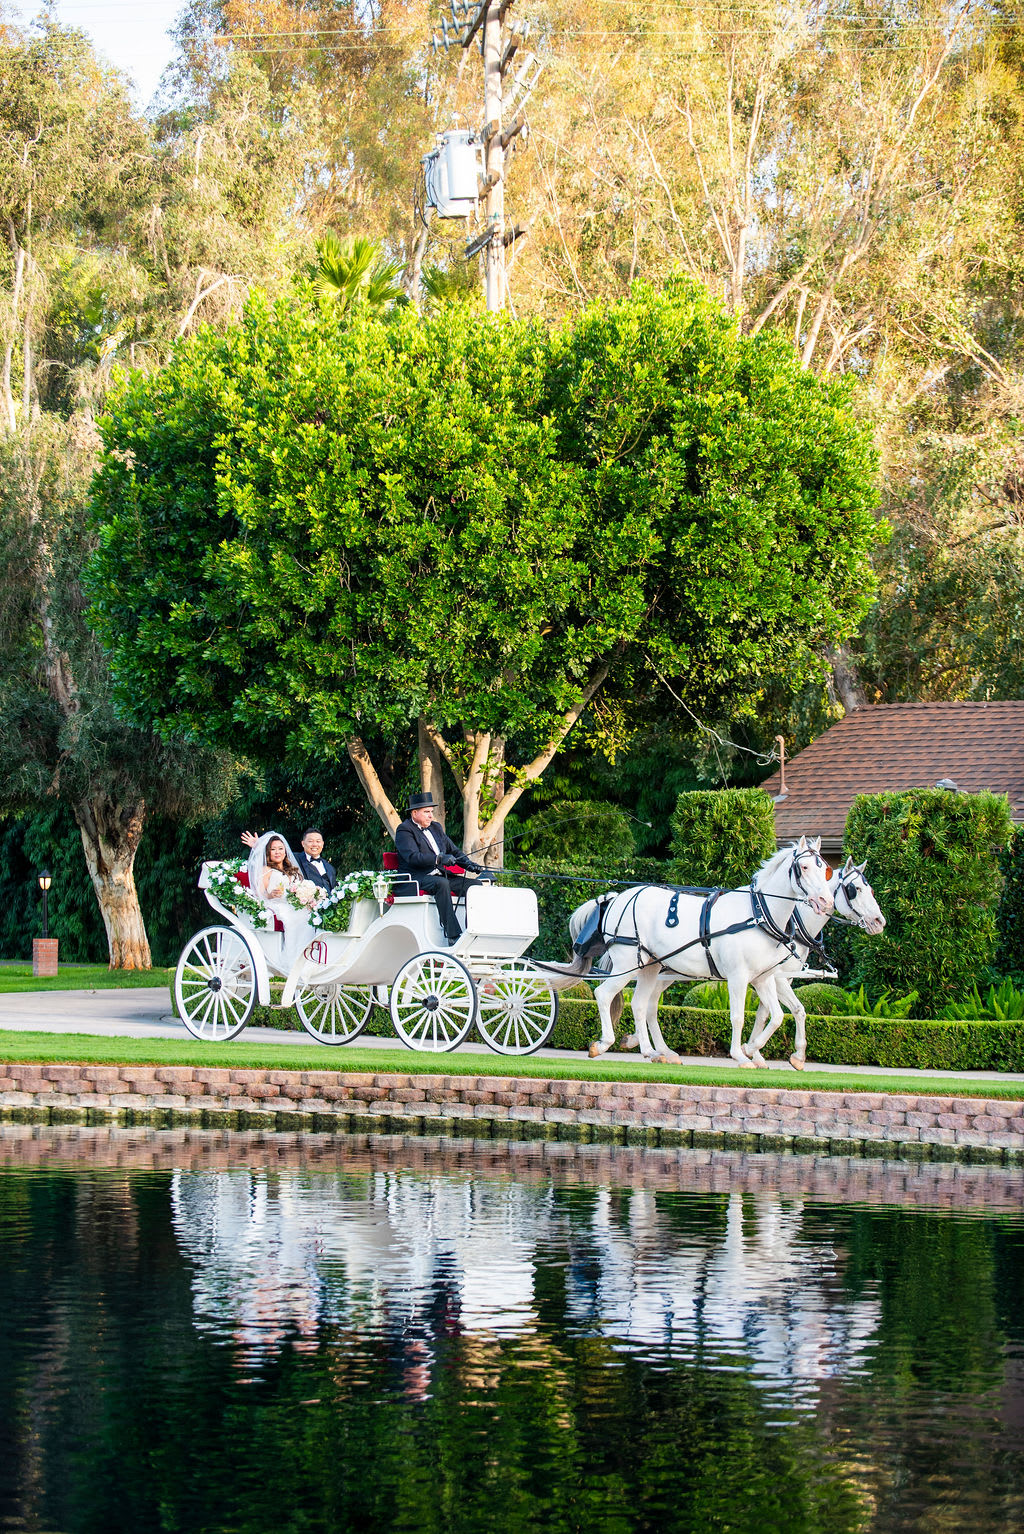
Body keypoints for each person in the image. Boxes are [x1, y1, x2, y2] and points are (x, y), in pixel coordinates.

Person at [393, 792, 493, 944]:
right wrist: (438, 858)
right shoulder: (404, 830)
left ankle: (472, 932)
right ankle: (452, 935)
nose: (431, 816)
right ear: (414, 813)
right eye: (427, 812)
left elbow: (453, 851)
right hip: (417, 877)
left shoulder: (436, 828)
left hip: (440, 875)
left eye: (431, 812)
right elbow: (412, 857)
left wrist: (470, 865)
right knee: (442, 884)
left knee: (475, 886)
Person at [244, 831, 318, 962]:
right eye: (273, 849)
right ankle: (293, 960)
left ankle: (310, 958)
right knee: (297, 917)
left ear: (285, 851)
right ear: (268, 852)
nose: (277, 852)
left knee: (312, 916)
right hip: (276, 905)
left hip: (294, 905)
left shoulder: (292, 869)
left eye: (280, 849)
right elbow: (259, 893)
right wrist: (270, 895)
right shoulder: (266, 870)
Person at [241, 827, 335, 893]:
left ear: (322, 844)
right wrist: (258, 847)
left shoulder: (330, 868)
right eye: (310, 841)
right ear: (302, 843)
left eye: (318, 841)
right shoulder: (294, 858)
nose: (315, 844)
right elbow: (276, 856)